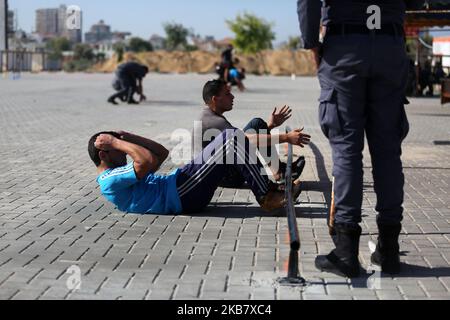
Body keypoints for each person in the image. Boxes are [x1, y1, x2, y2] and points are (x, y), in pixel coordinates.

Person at [298, 0, 425, 278]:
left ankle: (346, 250)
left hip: (344, 46)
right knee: (388, 152)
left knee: (346, 150)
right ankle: (389, 250)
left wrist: (311, 42)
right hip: (389, 45)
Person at [89, 129, 304, 216]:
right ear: (104, 155)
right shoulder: (108, 180)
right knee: (230, 137)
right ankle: (267, 195)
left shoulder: (120, 173)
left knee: (232, 138)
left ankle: (269, 189)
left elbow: (161, 154)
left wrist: (130, 137)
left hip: (181, 184)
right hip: (181, 194)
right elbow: (144, 160)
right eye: (116, 150)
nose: (122, 151)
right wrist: (115, 141)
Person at [194, 79, 310, 189]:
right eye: (227, 94)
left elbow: (242, 139)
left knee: (257, 124)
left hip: (225, 169)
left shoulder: (208, 115)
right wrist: (286, 137)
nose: (233, 96)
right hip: (227, 177)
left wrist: (270, 125)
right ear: (215, 99)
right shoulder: (213, 121)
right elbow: (245, 141)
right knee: (248, 140)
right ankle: (275, 179)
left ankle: (279, 171)